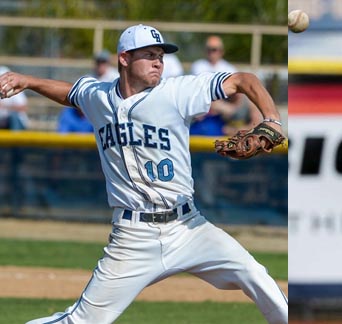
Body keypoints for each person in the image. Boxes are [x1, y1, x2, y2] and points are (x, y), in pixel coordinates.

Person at [0, 24, 287, 324]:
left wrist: (273, 120)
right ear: (124, 58)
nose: (157, 62)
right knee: (81, 321)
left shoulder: (177, 92)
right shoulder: (98, 95)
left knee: (256, 276)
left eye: (160, 56)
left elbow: (244, 80)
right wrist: (28, 80)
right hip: (133, 236)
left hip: (188, 228)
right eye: (149, 55)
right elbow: (71, 93)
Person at [189, 35, 258, 136]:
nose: (212, 52)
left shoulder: (229, 68)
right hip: (208, 107)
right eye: (209, 49)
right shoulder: (198, 66)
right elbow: (195, 92)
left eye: (215, 49)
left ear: (221, 51)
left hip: (224, 107)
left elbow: (237, 93)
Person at [0, 66, 29, 130]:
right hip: (3, 121)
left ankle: (15, 139)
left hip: (15, 122)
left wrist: (5, 107)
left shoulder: (15, 89)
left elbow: (23, 107)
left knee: (13, 116)